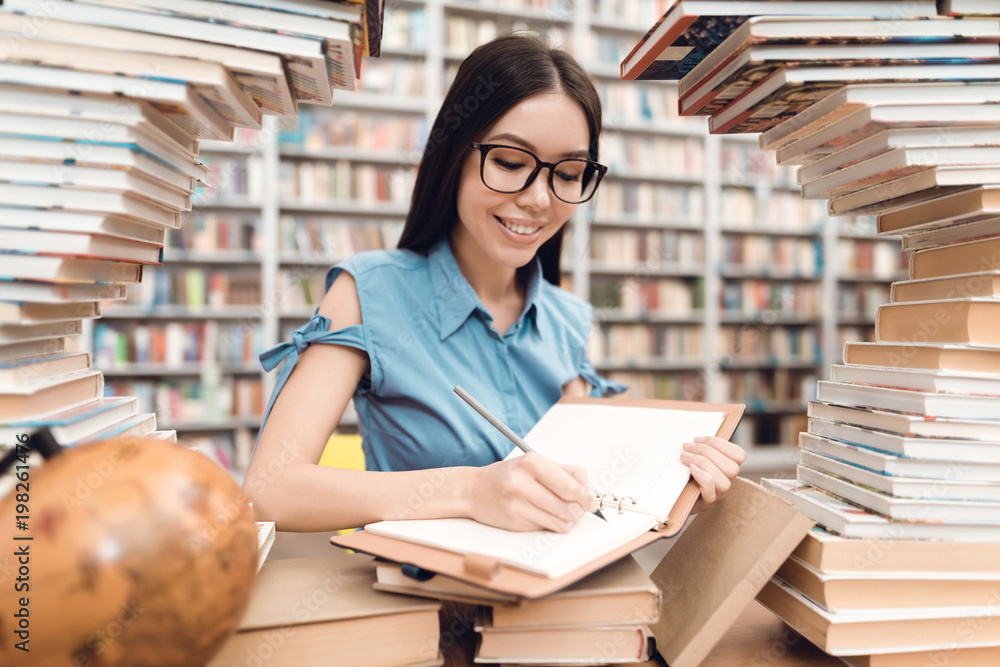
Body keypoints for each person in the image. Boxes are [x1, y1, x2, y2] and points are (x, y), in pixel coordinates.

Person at [244, 33, 745, 533]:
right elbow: (270, 490)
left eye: (569, 173)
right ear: (454, 156)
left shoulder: (568, 319)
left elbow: (594, 497)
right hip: (434, 602)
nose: (539, 200)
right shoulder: (371, 291)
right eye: (509, 163)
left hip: (564, 596)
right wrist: (470, 491)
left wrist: (671, 490)